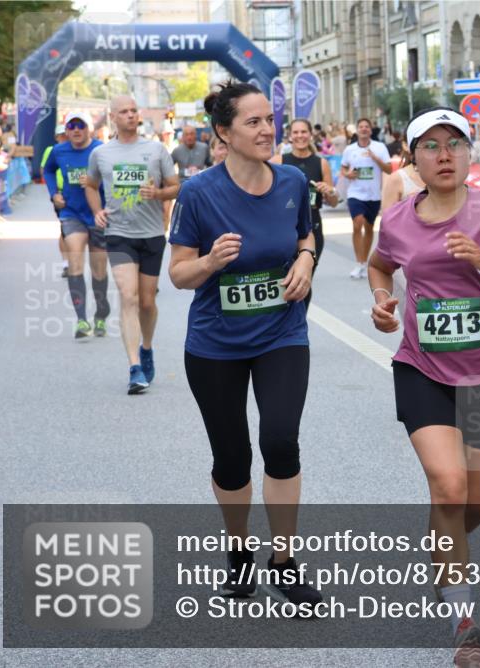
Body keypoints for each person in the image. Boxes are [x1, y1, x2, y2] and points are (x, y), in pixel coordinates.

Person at [367, 107, 480, 665]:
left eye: (454, 145)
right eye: (430, 147)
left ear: (471, 153)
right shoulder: (397, 219)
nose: (444, 155)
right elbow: (380, 266)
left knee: (471, 502)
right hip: (422, 368)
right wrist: (382, 301)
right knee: (448, 487)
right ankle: (463, 618)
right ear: (413, 159)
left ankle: (443, 542)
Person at [168, 81, 323, 608]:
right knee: (231, 456)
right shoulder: (198, 193)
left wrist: (305, 260)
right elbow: (179, 275)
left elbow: (306, 236)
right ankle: (239, 554)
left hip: (282, 333)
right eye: (252, 122)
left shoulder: (292, 181)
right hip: (215, 344)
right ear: (224, 133)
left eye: (268, 120)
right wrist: (210, 262)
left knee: (280, 441)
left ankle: (284, 561)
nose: (266, 129)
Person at [85, 95, 179, 394]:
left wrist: (160, 194)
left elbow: (176, 186)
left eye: (133, 110)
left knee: (148, 302)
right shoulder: (101, 153)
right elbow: (90, 184)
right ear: (112, 117)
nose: (130, 115)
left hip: (151, 234)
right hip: (119, 233)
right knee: (129, 296)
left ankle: (147, 347)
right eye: (124, 111)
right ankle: (134, 366)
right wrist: (97, 210)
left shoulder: (155, 149)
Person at [44, 111, 111, 339]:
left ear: (88, 129)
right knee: (75, 262)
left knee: (99, 269)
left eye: (80, 125)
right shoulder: (59, 151)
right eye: (70, 126)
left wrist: (95, 182)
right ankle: (81, 319)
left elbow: (113, 178)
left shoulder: (101, 150)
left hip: (98, 215)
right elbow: (48, 170)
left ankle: (101, 313)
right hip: (71, 213)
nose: (75, 130)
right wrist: (54, 193)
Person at [280, 118, 339, 277]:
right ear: (290, 136)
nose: (300, 136)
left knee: (305, 278)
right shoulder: (279, 161)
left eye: (304, 132)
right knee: (286, 279)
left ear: (311, 135)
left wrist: (330, 191)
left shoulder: (321, 163)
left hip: (313, 228)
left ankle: (303, 303)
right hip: (285, 229)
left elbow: (333, 203)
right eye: (296, 132)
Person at [340, 118, 392, 279]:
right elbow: (343, 168)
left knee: (369, 228)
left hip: (373, 194)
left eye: (366, 126)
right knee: (358, 223)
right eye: (360, 126)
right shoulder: (350, 149)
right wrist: (347, 174)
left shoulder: (380, 147)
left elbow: (389, 169)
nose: (363, 129)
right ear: (357, 130)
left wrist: (375, 158)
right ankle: (358, 262)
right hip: (355, 193)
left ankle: (364, 262)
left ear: (370, 130)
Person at [42, 124, 71, 277]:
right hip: (60, 193)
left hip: (76, 192)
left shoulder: (76, 149)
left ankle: (74, 261)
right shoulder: (52, 151)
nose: (63, 138)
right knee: (65, 228)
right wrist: (54, 192)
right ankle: (66, 263)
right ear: (56, 137)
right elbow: (45, 170)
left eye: (65, 135)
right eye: (60, 135)